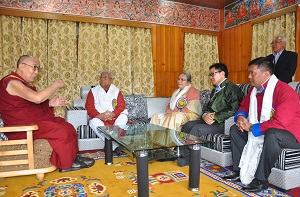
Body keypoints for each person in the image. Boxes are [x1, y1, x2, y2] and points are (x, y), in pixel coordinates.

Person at [0, 55, 95, 172]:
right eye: (34, 67)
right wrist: (55, 85)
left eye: (38, 69)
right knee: (60, 131)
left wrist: (49, 104)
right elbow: (37, 98)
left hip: (31, 123)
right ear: (21, 66)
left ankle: (72, 156)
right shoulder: (11, 82)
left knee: (67, 126)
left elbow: (30, 107)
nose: (36, 72)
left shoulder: (21, 83)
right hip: (22, 128)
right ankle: (67, 163)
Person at [223, 57, 300, 193]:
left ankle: (261, 180)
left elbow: (280, 123)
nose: (249, 76)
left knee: (272, 134)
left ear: (266, 74)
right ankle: (239, 170)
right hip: (265, 128)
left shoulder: (285, 91)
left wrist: (252, 127)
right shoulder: (254, 90)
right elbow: (243, 106)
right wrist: (241, 118)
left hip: (291, 135)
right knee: (235, 129)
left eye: (252, 73)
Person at [178, 63, 244, 167]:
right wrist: (205, 115)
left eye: (213, 74)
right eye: (210, 75)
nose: (210, 77)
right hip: (211, 121)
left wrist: (215, 116)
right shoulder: (215, 90)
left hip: (223, 123)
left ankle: (188, 158)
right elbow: (207, 107)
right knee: (188, 124)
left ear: (222, 73)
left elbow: (234, 109)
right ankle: (181, 153)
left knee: (197, 129)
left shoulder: (232, 89)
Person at [85, 70, 128, 155]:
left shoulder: (116, 90)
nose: (102, 79)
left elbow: (121, 105)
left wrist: (113, 114)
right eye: (101, 78)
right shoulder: (93, 91)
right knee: (93, 122)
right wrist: (99, 116)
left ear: (111, 80)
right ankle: (115, 146)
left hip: (114, 117)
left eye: (105, 77)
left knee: (124, 117)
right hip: (100, 118)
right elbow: (89, 107)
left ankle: (110, 146)